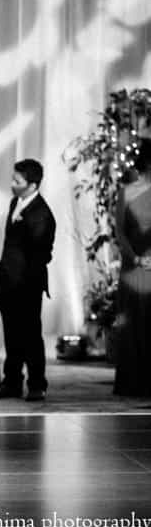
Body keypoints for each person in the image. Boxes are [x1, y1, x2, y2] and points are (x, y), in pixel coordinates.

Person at [0, 159, 55, 401]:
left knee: (30, 334)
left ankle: (37, 383)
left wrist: (23, 279)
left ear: (32, 184)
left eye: (17, 181)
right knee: (11, 334)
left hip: (27, 284)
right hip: (8, 280)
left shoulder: (41, 213)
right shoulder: (14, 203)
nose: (12, 185)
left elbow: (41, 254)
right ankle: (12, 381)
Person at [114, 138, 151, 397]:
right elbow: (119, 230)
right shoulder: (126, 191)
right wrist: (136, 258)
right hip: (133, 264)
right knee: (132, 323)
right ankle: (133, 382)